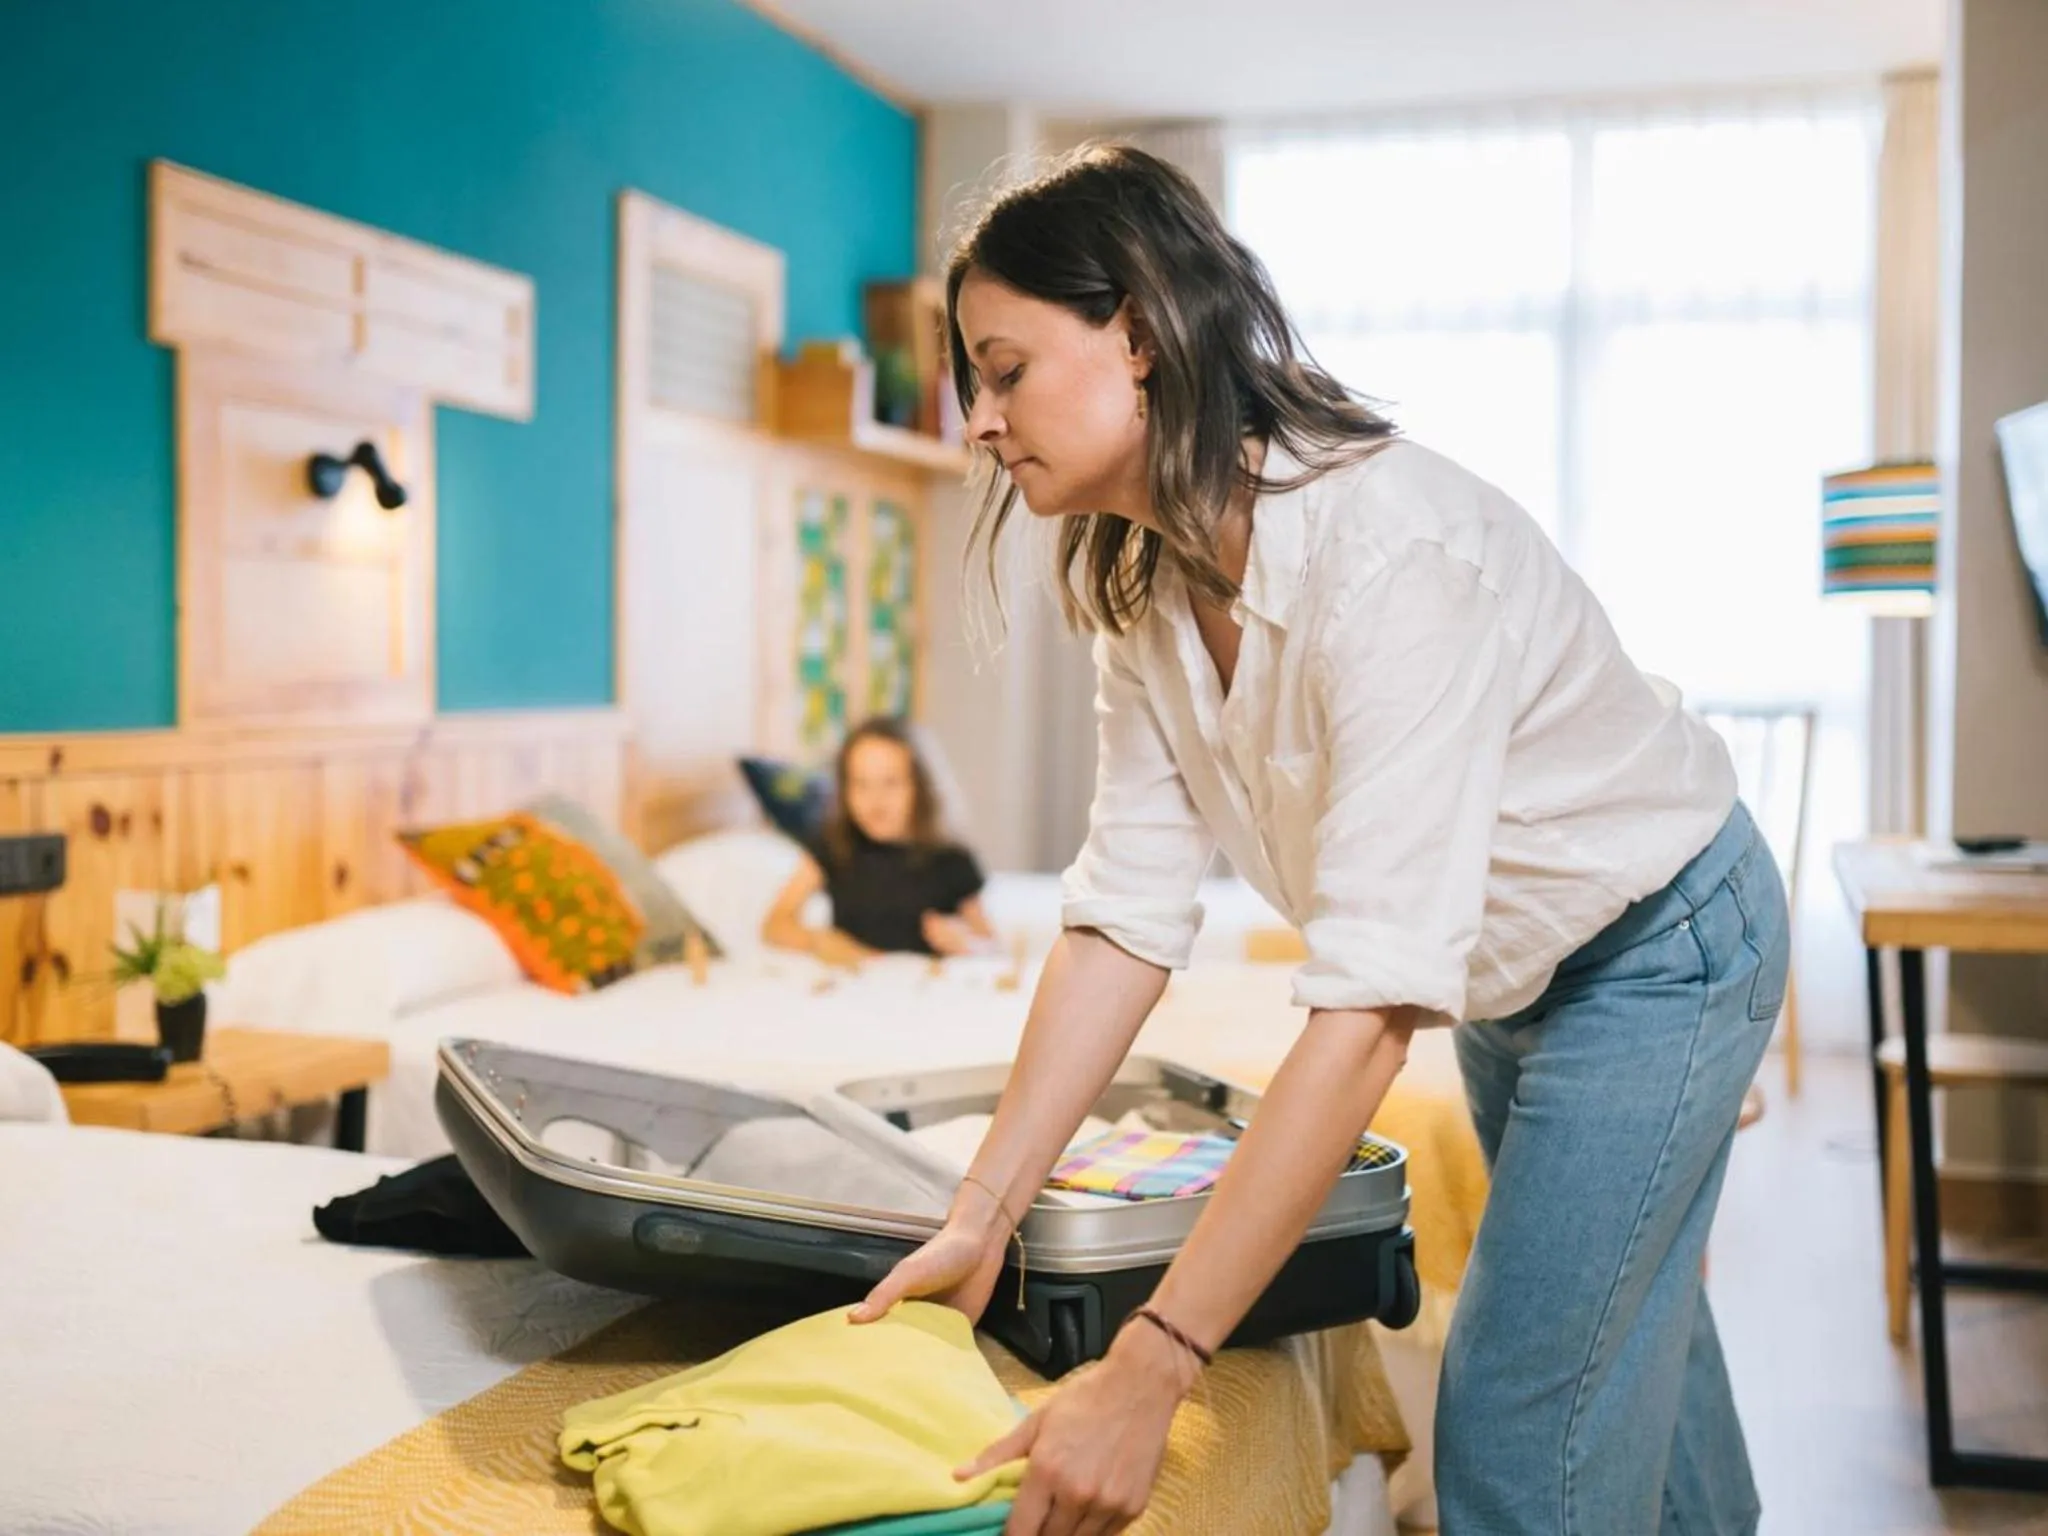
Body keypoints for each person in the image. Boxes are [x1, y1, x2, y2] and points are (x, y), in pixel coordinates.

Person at [848, 144, 1787, 1536]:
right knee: (1620, 1343)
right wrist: (984, 1209)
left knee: (1521, 1435)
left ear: (1145, 336)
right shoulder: (1147, 588)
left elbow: (1361, 1014)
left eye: (1003, 369)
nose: (977, 421)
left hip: (1660, 946)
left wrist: (1153, 1364)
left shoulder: (1391, 559)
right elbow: (1122, 917)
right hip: (1511, 969)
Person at [761, 717, 995, 967]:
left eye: (891, 783)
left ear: (922, 787)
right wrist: (820, 941)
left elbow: (991, 945)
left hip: (922, 991)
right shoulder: (834, 845)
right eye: (861, 784)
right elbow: (774, 925)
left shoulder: (952, 858)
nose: (875, 800)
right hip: (856, 987)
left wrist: (964, 942)